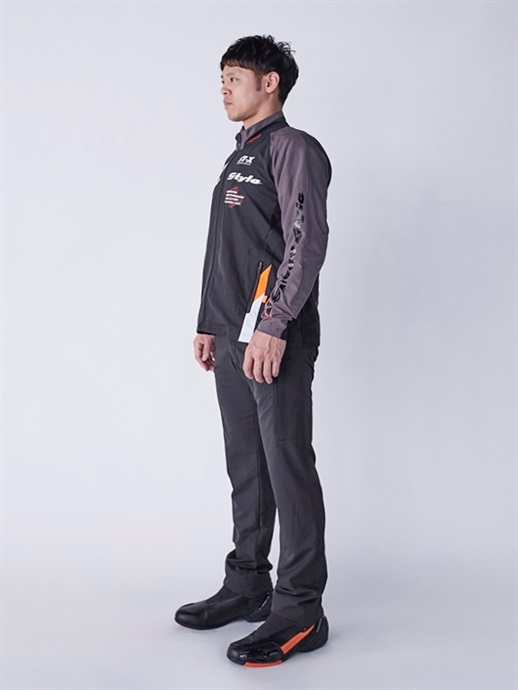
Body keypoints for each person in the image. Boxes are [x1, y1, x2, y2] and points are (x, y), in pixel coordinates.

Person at [174, 34, 332, 667]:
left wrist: (275, 323)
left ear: (270, 83)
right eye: (222, 78)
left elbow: (306, 239)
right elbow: (229, 248)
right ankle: (248, 583)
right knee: (247, 463)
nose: (224, 88)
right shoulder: (240, 154)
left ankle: (301, 609)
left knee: (287, 463)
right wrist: (209, 321)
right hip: (233, 335)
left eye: (234, 77)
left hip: (273, 338)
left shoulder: (293, 148)